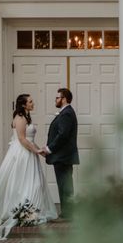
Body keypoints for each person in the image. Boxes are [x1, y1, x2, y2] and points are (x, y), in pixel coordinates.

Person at [0, 94, 58, 238]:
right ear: (24, 104)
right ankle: (24, 212)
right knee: (23, 183)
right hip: (22, 155)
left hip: (30, 153)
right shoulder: (20, 118)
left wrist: (40, 151)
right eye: (30, 101)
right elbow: (21, 139)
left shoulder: (26, 117)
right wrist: (35, 150)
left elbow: (30, 139)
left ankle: (32, 212)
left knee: (35, 183)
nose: (33, 103)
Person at [42, 88, 79, 219]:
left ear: (64, 99)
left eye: (57, 97)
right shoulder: (65, 113)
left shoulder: (67, 113)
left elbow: (63, 135)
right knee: (64, 185)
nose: (55, 100)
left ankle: (69, 213)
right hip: (62, 157)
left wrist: (49, 149)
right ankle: (67, 212)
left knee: (65, 185)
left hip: (63, 157)